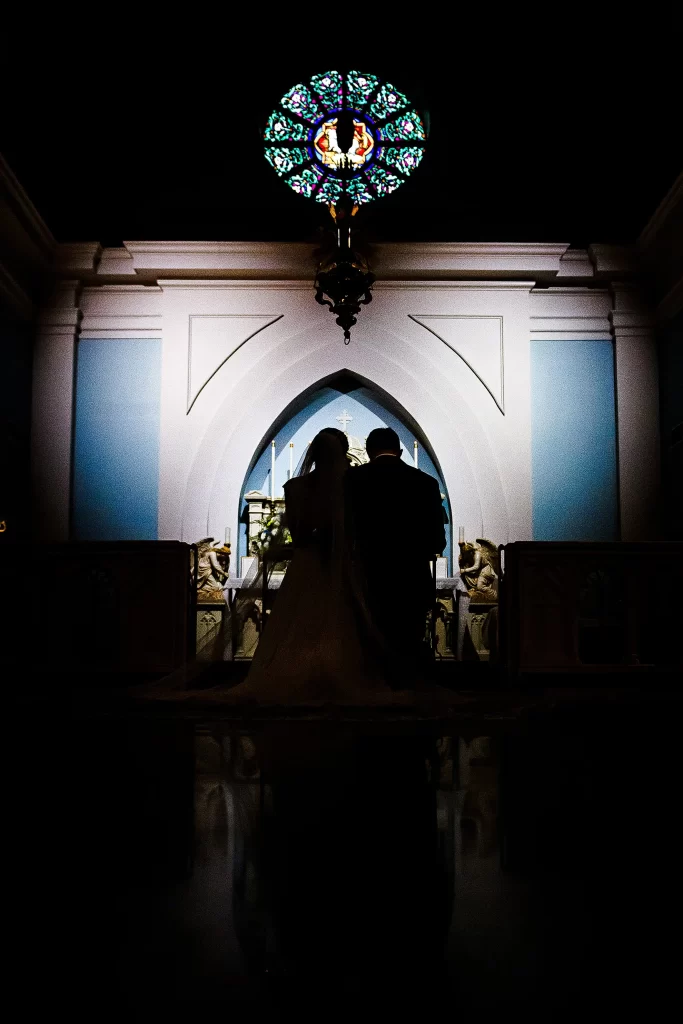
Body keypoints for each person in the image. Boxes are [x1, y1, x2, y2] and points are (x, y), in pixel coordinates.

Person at [225, 428, 391, 702]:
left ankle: (294, 675)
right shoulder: (348, 486)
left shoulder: (296, 488)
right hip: (335, 565)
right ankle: (338, 675)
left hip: (307, 563)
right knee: (338, 620)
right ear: (343, 453)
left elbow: (299, 535)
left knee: (300, 622)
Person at [345, 426, 446, 688]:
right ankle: (409, 697)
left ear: (368, 452)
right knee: (407, 639)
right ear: (400, 451)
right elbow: (438, 540)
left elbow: (345, 531)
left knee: (370, 638)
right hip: (411, 576)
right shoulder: (425, 483)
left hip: (368, 575)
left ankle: (373, 696)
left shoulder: (352, 481)